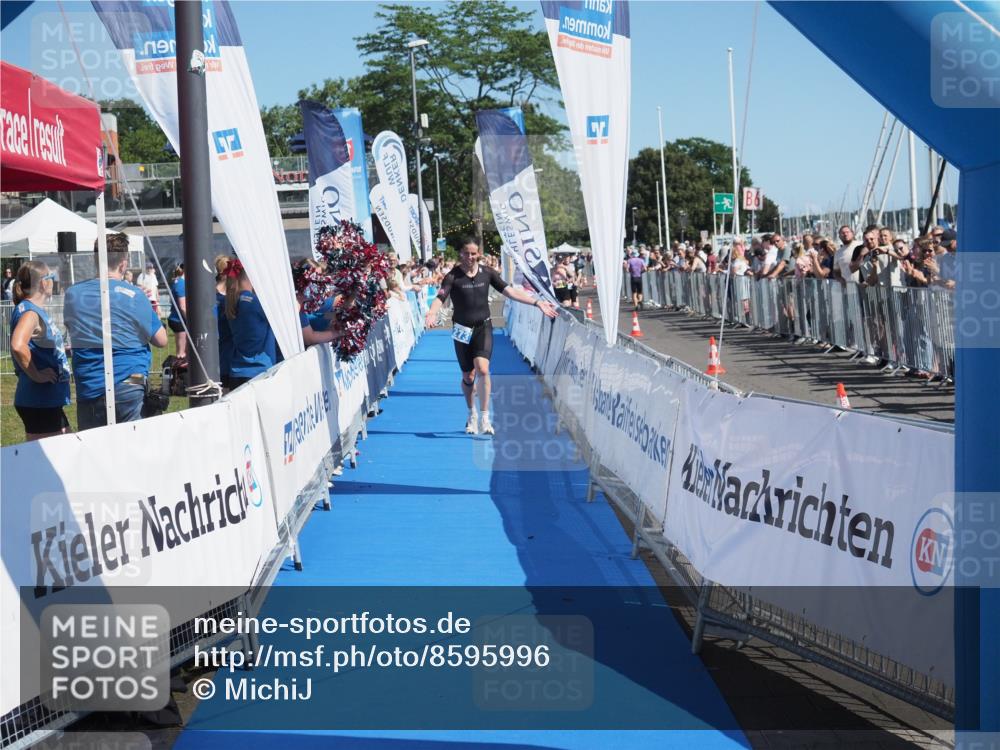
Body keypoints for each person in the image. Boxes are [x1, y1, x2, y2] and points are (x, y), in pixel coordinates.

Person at [424, 238, 556, 435]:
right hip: (461, 330)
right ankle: (472, 414)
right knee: (468, 376)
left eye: (474, 253)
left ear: (479, 254)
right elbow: (440, 297)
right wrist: (432, 312)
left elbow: (510, 291)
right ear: (460, 254)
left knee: (483, 369)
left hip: (483, 327)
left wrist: (537, 303)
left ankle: (485, 417)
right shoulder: (452, 276)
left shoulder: (487, 273)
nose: (470, 257)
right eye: (466, 253)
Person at [64, 233, 168, 429]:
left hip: (89, 383)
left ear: (95, 260)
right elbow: (161, 339)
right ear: (123, 263)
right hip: (130, 381)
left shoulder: (73, 294)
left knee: (94, 451)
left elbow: (72, 328)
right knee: (132, 449)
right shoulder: (135, 296)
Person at [9, 261, 72, 440]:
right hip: (39, 400)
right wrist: (36, 374)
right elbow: (17, 345)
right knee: (52, 460)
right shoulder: (30, 312)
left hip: (43, 400)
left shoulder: (31, 309)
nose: (54, 282)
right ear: (44, 283)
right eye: (52, 277)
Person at [225, 259, 277, 389]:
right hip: (260, 373)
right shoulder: (254, 303)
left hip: (237, 373)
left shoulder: (232, 300)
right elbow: (285, 318)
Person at [168, 265, 187, 360]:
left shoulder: (177, 281)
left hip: (175, 318)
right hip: (179, 320)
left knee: (181, 351)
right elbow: (182, 307)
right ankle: (180, 374)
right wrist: (190, 321)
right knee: (181, 353)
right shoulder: (181, 283)